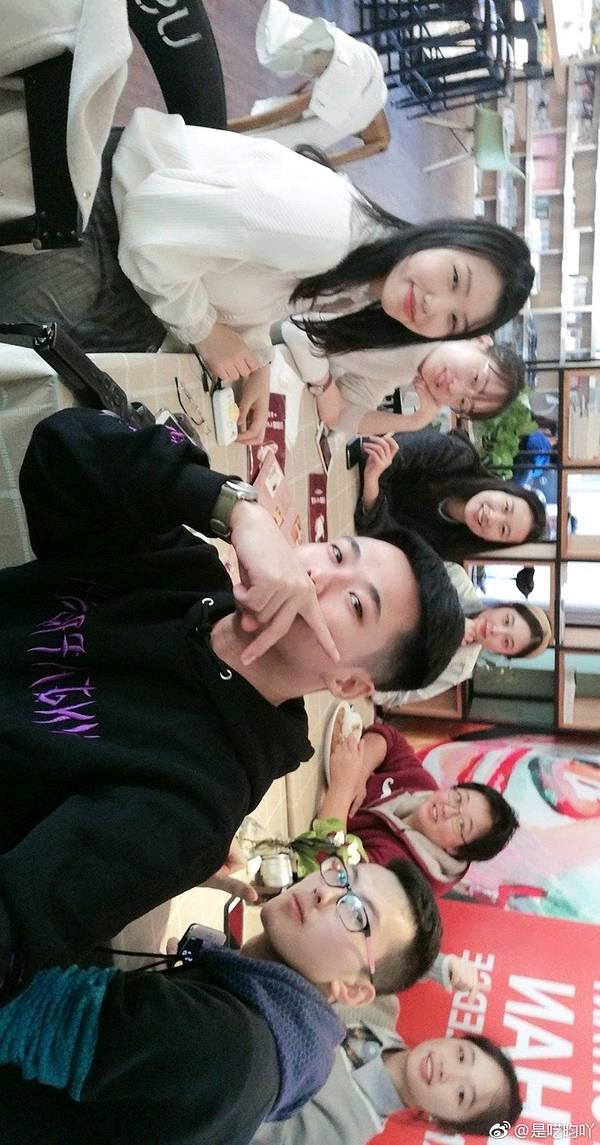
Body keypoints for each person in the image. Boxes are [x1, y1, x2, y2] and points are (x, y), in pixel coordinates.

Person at [0, 406, 464, 989]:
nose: (318, 576)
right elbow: (59, 451)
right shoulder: (188, 574)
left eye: (354, 605)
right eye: (338, 554)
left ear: (348, 685)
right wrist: (235, 509)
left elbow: (17, 924)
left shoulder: (193, 805)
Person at [0, 104, 535, 443]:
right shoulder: (329, 231)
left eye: (453, 319)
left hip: (139, 264)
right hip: (102, 212)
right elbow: (150, 221)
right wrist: (205, 332)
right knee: (34, 379)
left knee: (105, 400)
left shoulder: (365, 283)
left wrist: (256, 361)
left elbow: (252, 291)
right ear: (445, 237)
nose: (434, 306)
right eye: (455, 279)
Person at [0, 856, 441, 1145]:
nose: (326, 893)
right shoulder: (286, 1038)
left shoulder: (227, 1043)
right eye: (344, 876)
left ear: (353, 990)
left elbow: (18, 1010)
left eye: (358, 914)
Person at [251, 992, 522, 1145]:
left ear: (443, 1123)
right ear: (452, 1038)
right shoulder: (380, 1000)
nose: (447, 1070)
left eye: (461, 1094)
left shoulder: (340, 1133)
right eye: (461, 1056)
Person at [318, 722, 519, 896]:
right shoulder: (422, 787)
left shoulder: (405, 874)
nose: (448, 809)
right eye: (458, 798)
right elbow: (391, 739)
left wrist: (343, 786)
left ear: (455, 851)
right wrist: (359, 774)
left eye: (460, 824)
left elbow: (332, 869)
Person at [281, 322, 525, 437]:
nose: (454, 388)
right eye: (475, 379)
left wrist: (415, 421)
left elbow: (340, 415)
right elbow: (300, 330)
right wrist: (323, 384)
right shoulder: (413, 320)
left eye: (462, 402)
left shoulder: (410, 370)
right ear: (480, 340)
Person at [376, 561, 553, 708]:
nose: (496, 630)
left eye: (506, 642)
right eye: (506, 620)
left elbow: (396, 696)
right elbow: (392, 570)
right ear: (506, 605)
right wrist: (449, 622)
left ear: (501, 653)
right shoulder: (456, 580)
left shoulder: (460, 668)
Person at [355, 431, 547, 559]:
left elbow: (386, 541)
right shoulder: (458, 456)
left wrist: (373, 490)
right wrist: (373, 500)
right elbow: (385, 456)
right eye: (506, 507)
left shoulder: (447, 548)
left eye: (503, 530)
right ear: (503, 489)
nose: (492, 517)